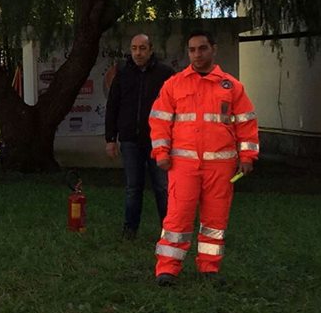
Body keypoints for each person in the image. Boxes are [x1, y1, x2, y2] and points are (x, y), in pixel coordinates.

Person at [149, 31, 259, 286]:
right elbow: (159, 121)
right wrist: (161, 153)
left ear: (214, 49)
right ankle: (167, 269)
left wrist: (248, 156)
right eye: (192, 50)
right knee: (177, 217)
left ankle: (209, 268)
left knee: (215, 220)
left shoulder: (231, 86)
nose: (197, 54)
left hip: (220, 166)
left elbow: (246, 124)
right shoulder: (174, 84)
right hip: (183, 165)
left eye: (202, 49)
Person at [104, 34, 174, 239]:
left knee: (162, 188)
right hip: (130, 141)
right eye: (134, 48)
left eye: (142, 48)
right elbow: (112, 107)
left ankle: (169, 230)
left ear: (151, 50)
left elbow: (176, 107)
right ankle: (130, 229)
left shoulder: (166, 74)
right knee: (133, 187)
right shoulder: (123, 74)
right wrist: (110, 139)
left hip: (158, 142)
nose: (138, 53)